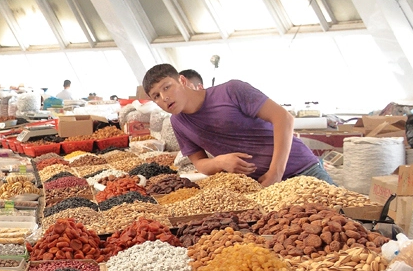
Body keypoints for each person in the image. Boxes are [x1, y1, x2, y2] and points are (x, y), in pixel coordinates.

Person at [142, 63, 332, 186]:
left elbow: (284, 118)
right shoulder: (178, 122)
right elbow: (200, 164)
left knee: (347, 228)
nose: (164, 98)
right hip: (260, 185)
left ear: (182, 81)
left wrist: (275, 172)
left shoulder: (231, 90)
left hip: (303, 170)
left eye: (167, 87)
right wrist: (219, 162)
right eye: (156, 96)